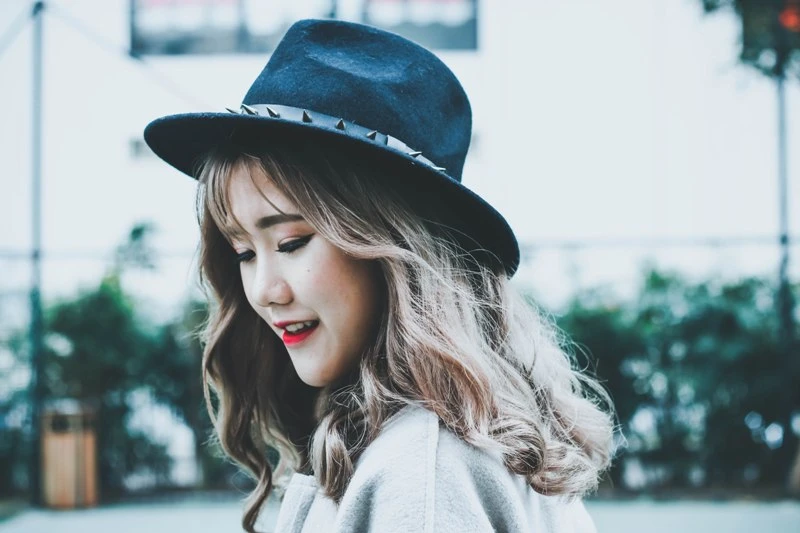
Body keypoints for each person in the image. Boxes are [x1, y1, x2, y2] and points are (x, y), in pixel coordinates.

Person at [144, 18, 615, 533]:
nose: (264, 291)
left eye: (291, 243)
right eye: (243, 252)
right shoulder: (424, 439)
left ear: (398, 248)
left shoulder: (423, 470)